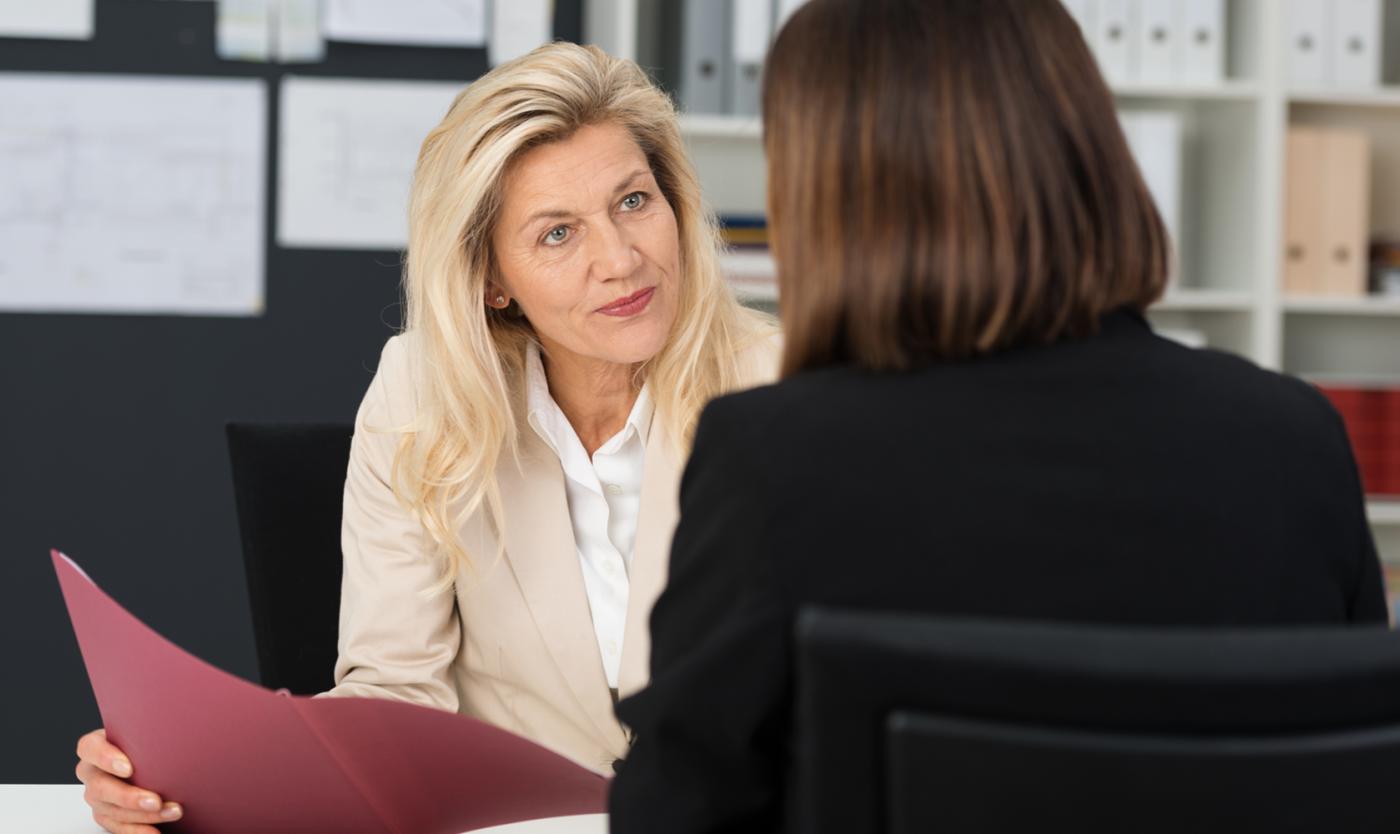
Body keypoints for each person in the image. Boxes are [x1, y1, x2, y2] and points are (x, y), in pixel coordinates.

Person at [608, 1, 1390, 830]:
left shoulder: (770, 463)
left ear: (820, 192)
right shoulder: (1295, 440)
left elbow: (674, 815)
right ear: (1091, 153)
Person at [73, 42, 778, 834]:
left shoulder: (789, 388)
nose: (620, 259)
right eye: (556, 234)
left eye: (633, 202)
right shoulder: (421, 395)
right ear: (491, 279)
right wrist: (173, 782)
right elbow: (391, 703)